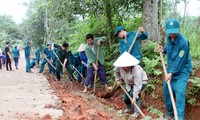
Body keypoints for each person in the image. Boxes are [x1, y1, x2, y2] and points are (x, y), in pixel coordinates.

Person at [157, 19, 192, 120]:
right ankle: (170, 113)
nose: (172, 34)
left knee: (179, 92)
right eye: (170, 32)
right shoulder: (169, 38)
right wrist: (163, 50)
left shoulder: (184, 43)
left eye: (174, 32)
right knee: (167, 89)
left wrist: (171, 73)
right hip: (171, 69)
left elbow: (180, 61)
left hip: (182, 71)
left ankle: (179, 117)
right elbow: (169, 49)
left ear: (178, 30)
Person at [113, 52, 148, 119]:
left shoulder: (136, 70)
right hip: (129, 83)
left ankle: (136, 112)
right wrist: (118, 79)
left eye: (127, 65)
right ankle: (129, 109)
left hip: (141, 82)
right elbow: (116, 72)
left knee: (133, 95)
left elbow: (138, 84)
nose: (126, 67)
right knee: (126, 98)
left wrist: (134, 97)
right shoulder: (119, 67)